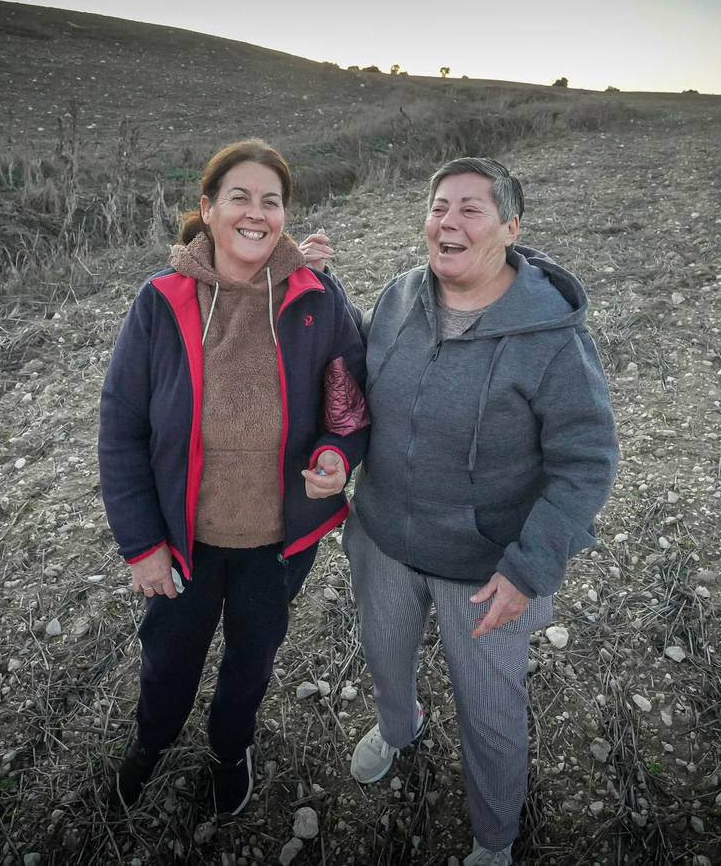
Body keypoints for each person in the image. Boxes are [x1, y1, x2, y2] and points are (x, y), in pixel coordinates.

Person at [343, 157, 618, 866]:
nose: (449, 222)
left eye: (471, 208)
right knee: (384, 653)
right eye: (439, 206)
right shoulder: (401, 295)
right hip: (383, 536)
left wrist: (529, 568)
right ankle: (399, 729)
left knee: (492, 713)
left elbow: (586, 461)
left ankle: (494, 839)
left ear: (510, 227)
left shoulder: (551, 337)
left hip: (486, 566)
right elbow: (354, 379)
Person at [98, 139, 367, 818]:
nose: (257, 213)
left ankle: (229, 745)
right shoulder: (160, 301)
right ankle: (152, 740)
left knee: (252, 656)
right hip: (185, 539)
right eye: (240, 197)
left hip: (279, 541)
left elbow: (349, 402)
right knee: (168, 654)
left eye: (271, 201)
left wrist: (338, 455)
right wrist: (142, 544)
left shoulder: (316, 296)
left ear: (285, 215)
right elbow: (122, 427)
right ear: (208, 209)